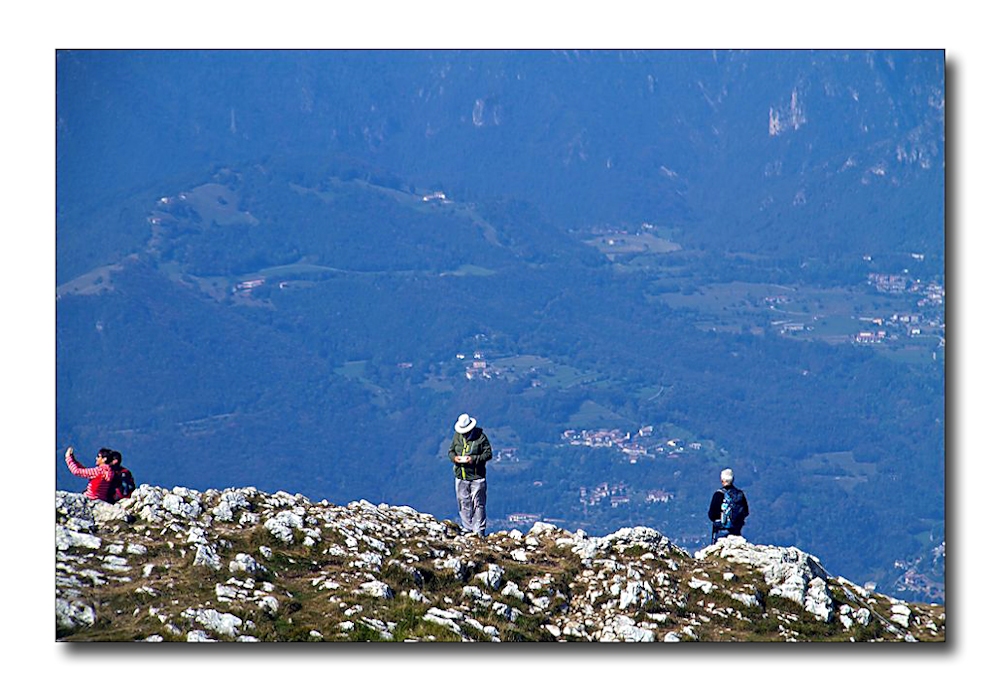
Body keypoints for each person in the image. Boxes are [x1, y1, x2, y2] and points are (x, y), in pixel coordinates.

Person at [448, 413, 492, 538]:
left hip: (477, 477)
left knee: (478, 504)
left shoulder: (481, 438)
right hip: (461, 476)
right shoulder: (457, 437)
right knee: (464, 503)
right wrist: (455, 458)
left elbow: (488, 454)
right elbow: (451, 451)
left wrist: (472, 459)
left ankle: (479, 531)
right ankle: (467, 529)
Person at [708, 468, 749, 543]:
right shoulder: (739, 494)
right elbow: (746, 511)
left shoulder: (718, 494)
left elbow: (712, 514)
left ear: (722, 480)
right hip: (736, 530)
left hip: (721, 530)